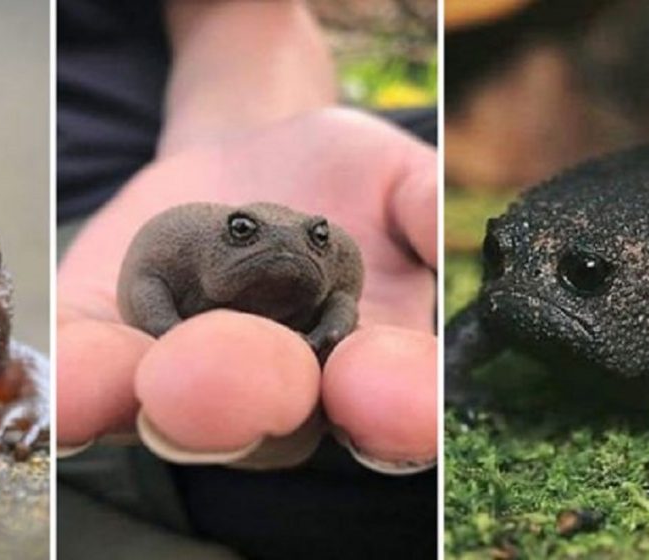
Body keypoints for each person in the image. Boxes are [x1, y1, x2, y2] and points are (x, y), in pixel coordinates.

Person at [58, 2, 438, 558]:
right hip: (81, 223)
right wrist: (162, 327)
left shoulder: (336, 257)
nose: (288, 250)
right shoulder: (179, 239)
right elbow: (145, 282)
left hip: (217, 136)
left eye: (317, 241)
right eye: (243, 233)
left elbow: (341, 302)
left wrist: (264, 125)